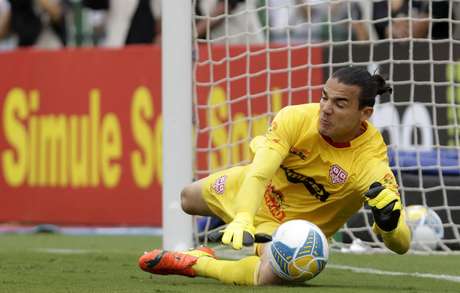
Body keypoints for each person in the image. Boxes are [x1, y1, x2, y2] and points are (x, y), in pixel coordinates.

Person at [139, 67, 412, 286]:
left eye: (340, 104)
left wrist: (390, 226)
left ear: (365, 114)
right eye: (324, 97)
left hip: (289, 231)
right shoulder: (295, 118)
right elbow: (259, 173)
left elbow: (401, 245)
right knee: (188, 198)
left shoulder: (371, 163)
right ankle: (230, 228)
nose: (326, 109)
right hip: (253, 192)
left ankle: (195, 263)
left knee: (272, 275)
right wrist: (244, 217)